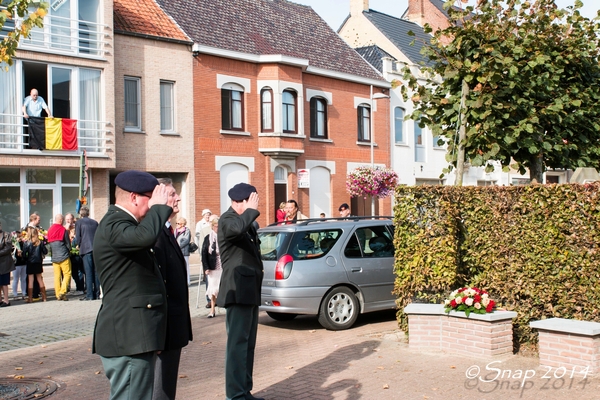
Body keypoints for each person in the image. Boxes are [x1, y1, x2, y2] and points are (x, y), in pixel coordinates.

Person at [93, 170, 175, 400]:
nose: (154, 205)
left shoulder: (125, 224)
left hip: (136, 334)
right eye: (152, 198)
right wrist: (161, 209)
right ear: (134, 197)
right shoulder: (114, 223)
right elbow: (144, 237)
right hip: (128, 335)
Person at [216, 183, 264, 400]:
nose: (255, 205)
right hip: (237, 290)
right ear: (239, 202)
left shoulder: (247, 223)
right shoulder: (227, 220)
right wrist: (252, 212)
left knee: (248, 345)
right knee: (237, 346)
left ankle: (245, 390)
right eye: (251, 201)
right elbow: (235, 230)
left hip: (250, 290)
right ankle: (235, 395)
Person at [151, 178, 193, 400]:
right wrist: (157, 332)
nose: (177, 198)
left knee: (166, 384)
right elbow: (158, 285)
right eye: (171, 194)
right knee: (160, 388)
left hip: (172, 325)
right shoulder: (156, 233)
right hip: (164, 329)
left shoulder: (167, 230)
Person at [75, 206, 99, 301]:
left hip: (86, 249)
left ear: (81, 214)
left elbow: (78, 236)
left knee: (88, 272)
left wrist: (78, 245)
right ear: (88, 213)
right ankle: (97, 293)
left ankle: (89, 295)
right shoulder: (95, 222)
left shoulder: (79, 222)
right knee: (96, 272)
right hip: (95, 249)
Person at [47, 214, 72, 301]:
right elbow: (67, 243)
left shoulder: (49, 230)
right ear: (61, 220)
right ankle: (63, 291)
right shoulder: (62, 229)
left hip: (54, 256)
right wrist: (70, 250)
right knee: (67, 274)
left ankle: (58, 295)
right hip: (63, 255)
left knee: (57, 276)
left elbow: (49, 244)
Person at [202, 217, 221, 318]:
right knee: (213, 289)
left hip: (222, 265)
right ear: (212, 226)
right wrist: (206, 267)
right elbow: (204, 254)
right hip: (213, 266)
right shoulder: (208, 238)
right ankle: (212, 310)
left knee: (222, 287)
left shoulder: (224, 237)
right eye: (216, 226)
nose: (217, 228)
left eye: (219, 226)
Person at [22, 227, 47, 302]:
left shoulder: (27, 242)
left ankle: (30, 298)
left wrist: (26, 259)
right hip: (38, 262)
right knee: (40, 279)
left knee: (30, 280)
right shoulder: (40, 242)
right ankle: (44, 297)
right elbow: (45, 251)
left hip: (30, 262)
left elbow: (24, 254)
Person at [65, 212, 85, 294]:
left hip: (77, 252)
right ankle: (76, 287)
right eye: (67, 219)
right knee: (73, 272)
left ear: (73, 219)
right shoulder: (65, 228)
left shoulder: (77, 226)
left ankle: (80, 288)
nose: (69, 221)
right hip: (68, 253)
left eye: (70, 219)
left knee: (79, 271)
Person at [0, 221, 15, 307]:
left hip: (5, 262)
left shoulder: (6, 235)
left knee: (4, 282)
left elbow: (8, 248)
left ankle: (6, 300)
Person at [174, 217, 191, 286]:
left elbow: (186, 240)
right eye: (176, 223)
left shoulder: (186, 230)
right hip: (177, 251)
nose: (177, 224)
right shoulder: (176, 230)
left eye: (178, 223)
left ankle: (188, 281)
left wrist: (178, 246)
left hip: (184, 251)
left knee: (186, 266)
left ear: (182, 224)